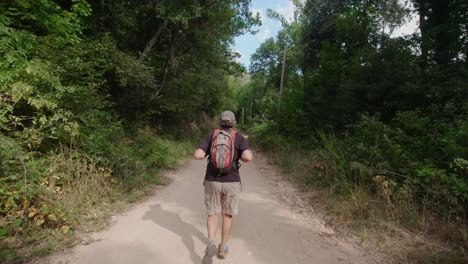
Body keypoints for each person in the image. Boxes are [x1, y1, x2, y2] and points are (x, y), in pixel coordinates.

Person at [194, 111, 253, 264]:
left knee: (213, 213)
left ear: (220, 122)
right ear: (234, 123)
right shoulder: (238, 137)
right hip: (231, 182)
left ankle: (211, 242)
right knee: (227, 214)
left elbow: (198, 155)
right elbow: (248, 157)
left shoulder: (212, 135)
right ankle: (223, 246)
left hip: (212, 180)